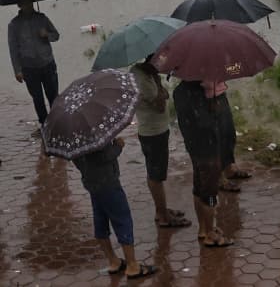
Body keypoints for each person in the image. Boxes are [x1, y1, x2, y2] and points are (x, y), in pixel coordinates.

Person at [71, 135, 158, 280]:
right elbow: (104, 156)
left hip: (92, 185)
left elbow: (79, 161)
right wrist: (118, 146)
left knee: (100, 221)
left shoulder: (73, 138)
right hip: (109, 184)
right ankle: (132, 265)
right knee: (123, 221)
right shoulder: (93, 133)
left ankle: (113, 260)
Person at [172, 79, 233, 248]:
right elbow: (204, 123)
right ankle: (210, 233)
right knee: (210, 193)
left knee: (199, 187)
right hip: (207, 148)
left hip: (194, 147)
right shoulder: (197, 94)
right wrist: (214, 109)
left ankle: (203, 229)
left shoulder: (179, 91)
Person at [130, 57, 189, 229]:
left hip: (154, 130)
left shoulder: (140, 72)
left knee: (156, 173)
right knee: (156, 175)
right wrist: (158, 83)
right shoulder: (143, 80)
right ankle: (163, 216)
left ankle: (161, 209)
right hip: (153, 132)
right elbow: (161, 105)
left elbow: (163, 95)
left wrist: (159, 86)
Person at [8, 0, 60, 128]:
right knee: (37, 99)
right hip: (29, 68)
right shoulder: (14, 25)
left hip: (47, 63)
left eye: (30, 2)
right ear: (19, 5)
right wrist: (17, 70)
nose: (28, 5)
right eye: (25, 3)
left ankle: (57, 122)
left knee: (54, 96)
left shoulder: (42, 18)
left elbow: (56, 35)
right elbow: (13, 49)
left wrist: (46, 34)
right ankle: (44, 124)